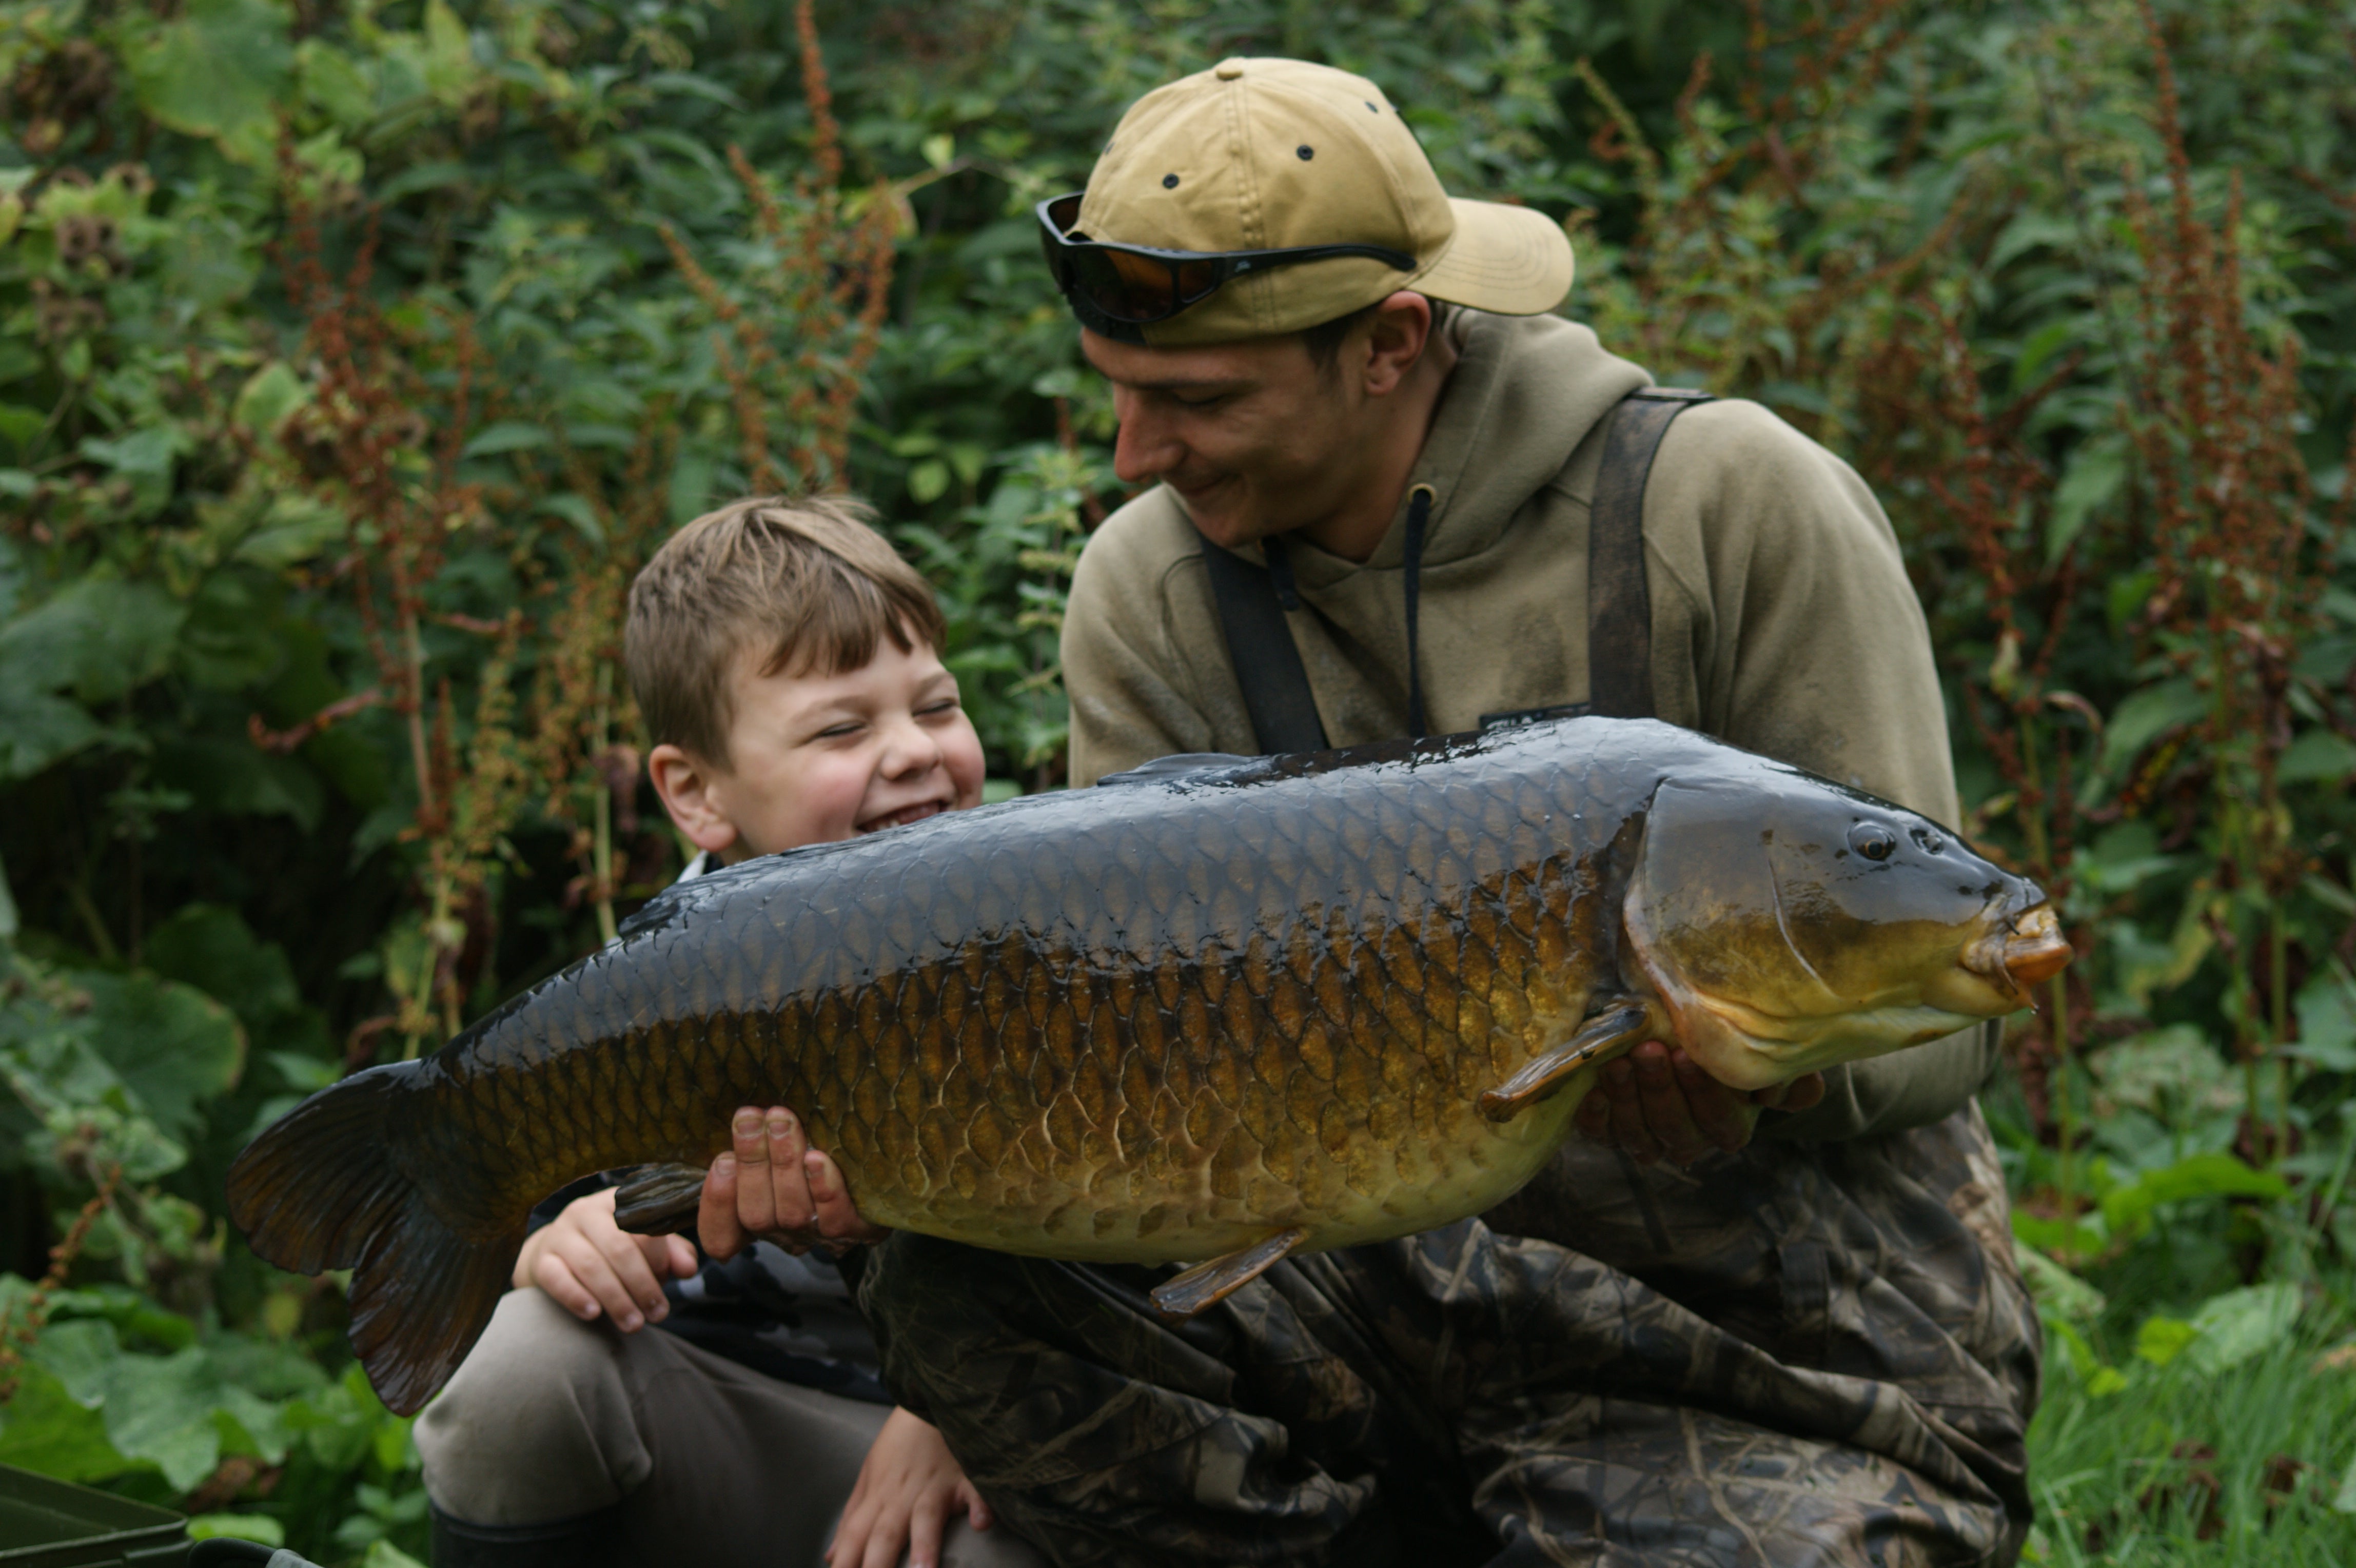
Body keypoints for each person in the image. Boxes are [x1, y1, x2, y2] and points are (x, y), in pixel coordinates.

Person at [755, 56, 2041, 1568]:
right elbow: (1123, 1054)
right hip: (1371, 1294)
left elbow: (1954, 1008)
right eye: (1118, 398)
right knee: (954, 1282)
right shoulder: (1151, 587)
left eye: (1196, 400)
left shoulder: (1734, 506)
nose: (1134, 457)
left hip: (1776, 1339)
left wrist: (1761, 1079)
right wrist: (905, 1179)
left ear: (1391, 343)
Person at [413, 497, 1049, 1568]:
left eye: (936, 707)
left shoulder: (1049, 929)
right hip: (714, 1408)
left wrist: (955, 1412)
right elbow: (582, 1215)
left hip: (968, 1440)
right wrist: (553, 1243)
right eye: (843, 728)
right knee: (521, 1363)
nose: (912, 753)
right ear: (697, 794)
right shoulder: (653, 983)